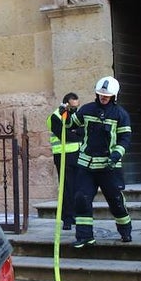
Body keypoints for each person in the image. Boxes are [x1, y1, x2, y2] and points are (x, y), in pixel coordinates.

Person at [69, 76, 132, 247]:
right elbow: (70, 123)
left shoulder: (121, 115)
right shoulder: (86, 109)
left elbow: (125, 138)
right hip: (87, 165)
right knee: (81, 199)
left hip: (109, 167)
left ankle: (125, 231)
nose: (103, 97)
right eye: (100, 95)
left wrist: (116, 155)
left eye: (107, 95)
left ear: (114, 96)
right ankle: (84, 237)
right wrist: (65, 114)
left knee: (116, 201)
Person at [48, 92, 80, 229]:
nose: (75, 110)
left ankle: (73, 216)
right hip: (63, 155)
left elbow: (82, 132)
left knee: (76, 187)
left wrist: (76, 133)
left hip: (77, 154)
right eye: (73, 107)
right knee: (66, 188)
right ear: (66, 104)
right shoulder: (55, 116)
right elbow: (64, 135)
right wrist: (75, 134)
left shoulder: (75, 116)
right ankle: (67, 218)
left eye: (76, 107)